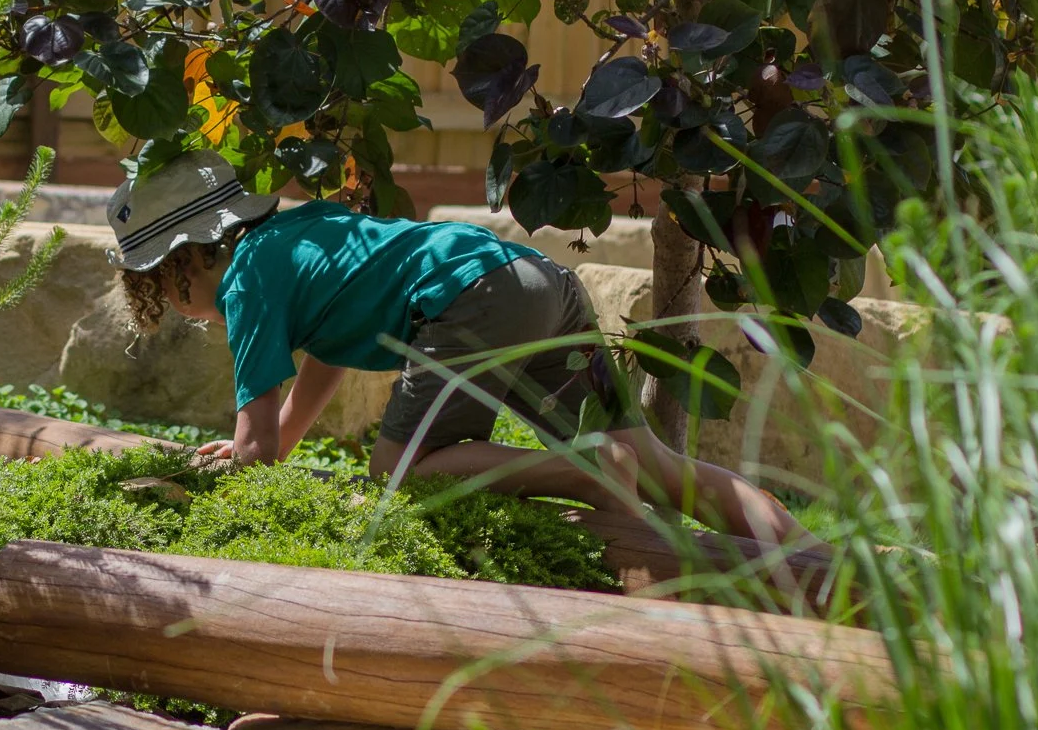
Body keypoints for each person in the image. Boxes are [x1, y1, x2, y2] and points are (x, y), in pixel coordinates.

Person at [105, 151, 815, 549]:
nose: (179, 312)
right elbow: (326, 356)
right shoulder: (298, 235)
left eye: (164, 294)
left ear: (182, 261)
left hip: (475, 296)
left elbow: (253, 451)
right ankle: (816, 561)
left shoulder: (246, 278)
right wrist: (282, 441)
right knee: (660, 466)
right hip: (541, 282)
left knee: (399, 468)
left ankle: (588, 469)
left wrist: (201, 497)